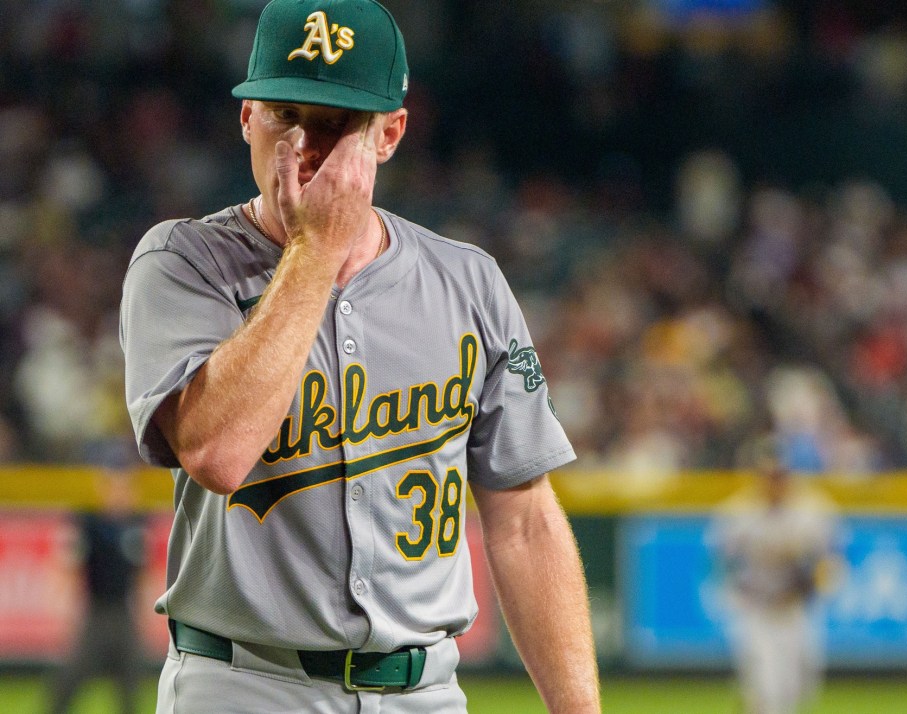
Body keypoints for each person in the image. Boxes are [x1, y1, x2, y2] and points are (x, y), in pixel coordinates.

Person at [118, 1, 600, 712]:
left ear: (390, 134)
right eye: (285, 112)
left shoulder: (467, 283)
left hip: (424, 691)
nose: (305, 145)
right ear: (246, 117)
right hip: (244, 684)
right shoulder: (183, 262)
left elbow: (524, 520)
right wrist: (316, 250)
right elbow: (217, 452)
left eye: (337, 122)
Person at [717, 439, 840, 714]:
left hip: (795, 609)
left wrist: (812, 582)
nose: (775, 482)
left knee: (799, 688)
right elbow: (720, 560)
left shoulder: (813, 513)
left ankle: (751, 703)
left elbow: (830, 562)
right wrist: (735, 594)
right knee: (768, 689)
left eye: (780, 475)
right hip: (756, 610)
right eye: (769, 476)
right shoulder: (739, 513)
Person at [47, 447, 146, 714]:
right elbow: (70, 564)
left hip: (122, 613)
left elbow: (141, 572)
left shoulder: (137, 523)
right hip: (96, 612)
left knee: (130, 687)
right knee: (69, 681)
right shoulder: (89, 522)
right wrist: (67, 609)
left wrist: (142, 611)